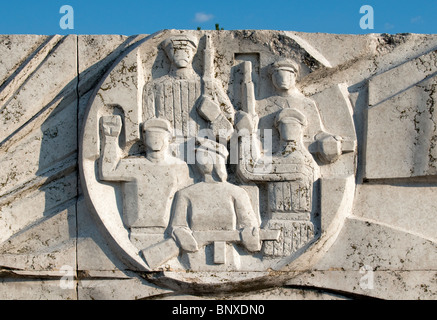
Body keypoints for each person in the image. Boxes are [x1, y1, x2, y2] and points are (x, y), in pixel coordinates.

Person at [99, 116, 191, 249]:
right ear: (143, 137)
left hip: (170, 235)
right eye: (150, 133)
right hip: (135, 233)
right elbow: (107, 173)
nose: (156, 137)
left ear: (169, 138)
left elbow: (188, 196)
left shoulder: (179, 167)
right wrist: (110, 138)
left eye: (161, 133)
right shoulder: (132, 165)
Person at [169, 138, 261, 270]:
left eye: (205, 155)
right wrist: (182, 235)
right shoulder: (185, 194)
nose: (200, 160)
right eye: (198, 156)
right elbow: (177, 225)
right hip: (193, 258)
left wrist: (249, 235)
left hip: (229, 256)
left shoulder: (237, 192)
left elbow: (250, 227)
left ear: (216, 160)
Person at [143, 34, 234, 143]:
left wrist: (215, 116)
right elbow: (147, 125)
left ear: (193, 52)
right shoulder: (153, 87)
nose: (181, 53)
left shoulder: (210, 84)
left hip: (203, 149)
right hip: (166, 149)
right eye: (175, 50)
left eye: (186, 50)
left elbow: (229, 119)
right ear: (167, 54)